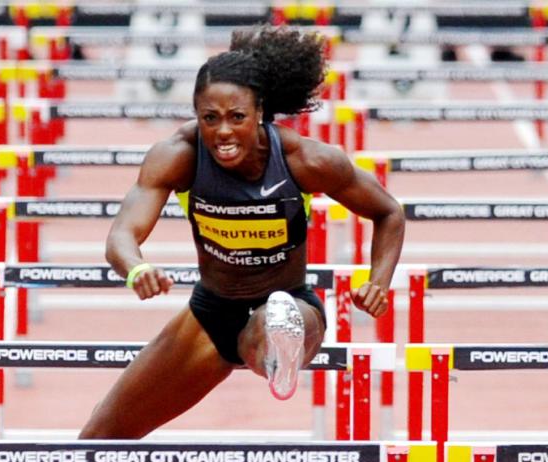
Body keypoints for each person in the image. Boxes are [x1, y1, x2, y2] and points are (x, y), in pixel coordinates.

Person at [79, 25, 405, 439]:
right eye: (209, 119)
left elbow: (388, 212)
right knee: (100, 438)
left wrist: (378, 281)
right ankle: (270, 344)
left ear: (260, 112)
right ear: (196, 114)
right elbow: (122, 235)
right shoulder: (178, 156)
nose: (223, 133)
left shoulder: (305, 159)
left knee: (270, 323)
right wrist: (136, 269)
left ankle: (276, 345)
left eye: (237, 117)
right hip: (211, 311)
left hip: (293, 307)